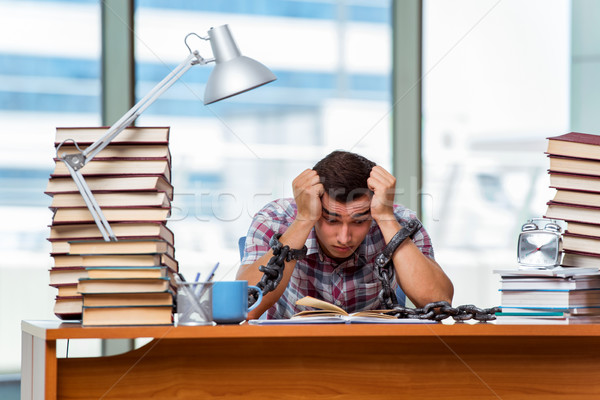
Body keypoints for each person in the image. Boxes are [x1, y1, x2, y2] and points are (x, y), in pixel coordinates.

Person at [237, 150, 453, 319]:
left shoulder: (400, 221)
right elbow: (244, 307)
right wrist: (303, 220)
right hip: (288, 353)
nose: (344, 237)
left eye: (359, 221)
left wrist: (386, 219)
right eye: (331, 220)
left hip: (378, 355)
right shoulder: (275, 219)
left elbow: (438, 303)